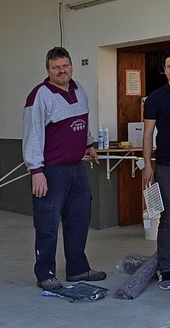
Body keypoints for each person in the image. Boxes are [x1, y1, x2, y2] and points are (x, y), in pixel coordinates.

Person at [22, 47, 107, 291]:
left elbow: (83, 121)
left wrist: (89, 144)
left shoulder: (79, 89)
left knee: (79, 218)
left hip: (76, 167)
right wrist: (36, 171)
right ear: (47, 70)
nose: (62, 71)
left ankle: (78, 269)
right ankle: (45, 273)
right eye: (56, 67)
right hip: (51, 170)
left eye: (65, 66)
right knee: (47, 222)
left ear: (71, 66)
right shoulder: (39, 96)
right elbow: (33, 135)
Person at [142, 50, 170, 291]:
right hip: (167, 165)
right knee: (167, 219)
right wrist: (148, 163)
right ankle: (166, 270)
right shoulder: (155, 99)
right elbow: (148, 134)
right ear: (165, 70)